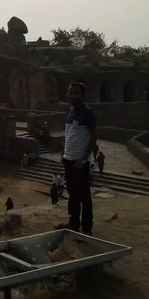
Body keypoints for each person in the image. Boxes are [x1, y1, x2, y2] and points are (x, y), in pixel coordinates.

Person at [61, 82, 97, 236]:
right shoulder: (70, 111)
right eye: (71, 93)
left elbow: (93, 137)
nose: (73, 96)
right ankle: (74, 222)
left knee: (84, 195)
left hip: (79, 161)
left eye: (76, 93)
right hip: (68, 159)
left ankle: (87, 228)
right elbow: (70, 135)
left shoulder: (88, 113)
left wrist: (83, 158)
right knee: (72, 193)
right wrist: (64, 153)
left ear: (83, 95)